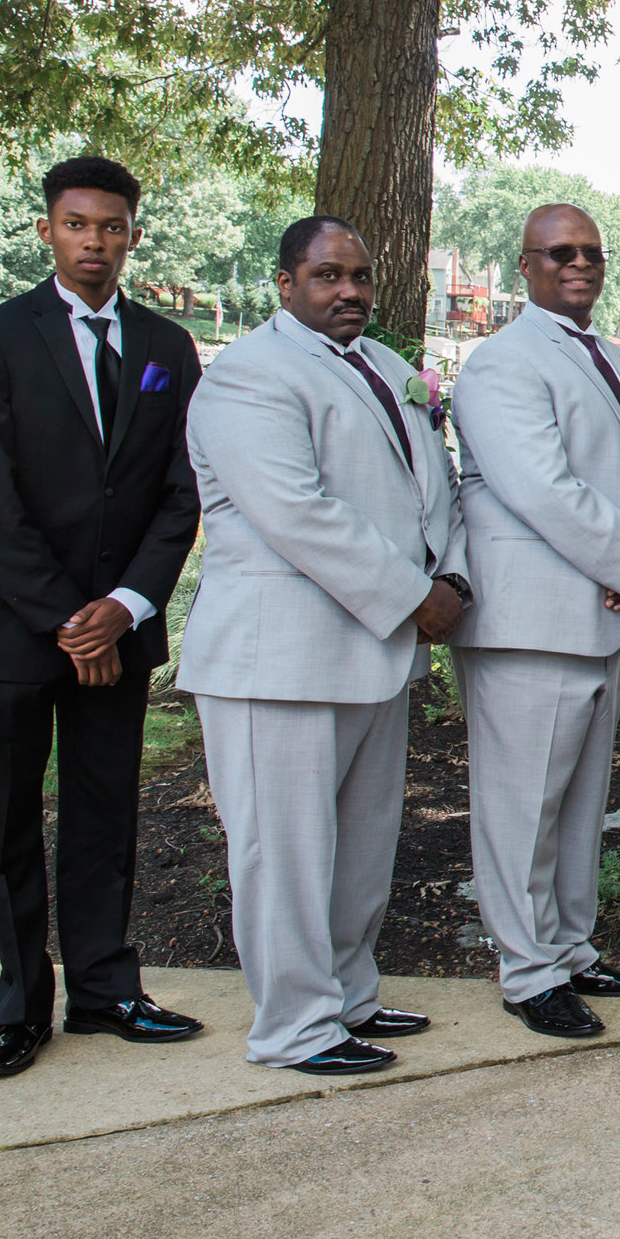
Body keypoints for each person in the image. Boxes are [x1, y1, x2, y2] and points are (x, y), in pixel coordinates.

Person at [179, 217, 469, 1074]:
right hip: (281, 657)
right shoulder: (247, 377)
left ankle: (348, 995)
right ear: (284, 283)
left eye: (360, 275)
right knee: (284, 851)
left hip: (373, 653)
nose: (349, 291)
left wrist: (450, 576)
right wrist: (416, 597)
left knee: (363, 839)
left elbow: (436, 489)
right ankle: (293, 1026)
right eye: (326, 275)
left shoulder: (388, 369)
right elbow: (298, 513)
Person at [0, 156, 207, 1079]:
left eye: (112, 225)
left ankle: (105, 990)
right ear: (48, 230)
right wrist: (70, 618)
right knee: (6, 822)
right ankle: (21, 1006)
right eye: (76, 223)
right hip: (14, 630)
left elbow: (181, 494)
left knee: (105, 817)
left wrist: (124, 609)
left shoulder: (168, 346)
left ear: (134, 232)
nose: (95, 240)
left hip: (120, 630)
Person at [446, 204, 620, 1039]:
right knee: (521, 801)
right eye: (560, 252)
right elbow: (541, 487)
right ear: (526, 265)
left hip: (600, 611)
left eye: (590, 252)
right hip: (531, 617)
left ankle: (573, 947)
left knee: (578, 800)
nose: (578, 264)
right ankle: (526, 967)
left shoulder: (614, 359)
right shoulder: (500, 364)